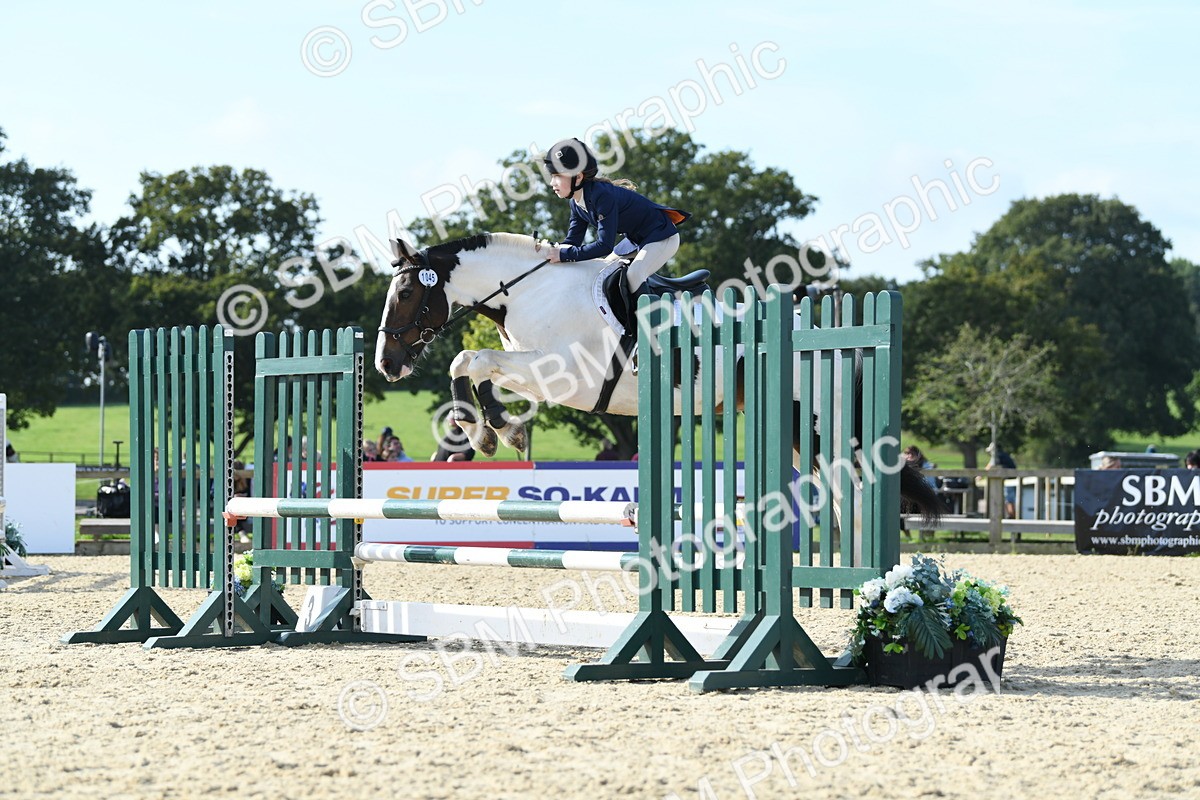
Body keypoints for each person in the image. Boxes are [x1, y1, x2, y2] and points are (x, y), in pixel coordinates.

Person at [540, 137, 690, 293]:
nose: (552, 183)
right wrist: (548, 252)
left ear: (578, 177)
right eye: (552, 176)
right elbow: (573, 241)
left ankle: (649, 317)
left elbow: (604, 245)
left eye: (557, 176)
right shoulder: (575, 203)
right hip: (635, 240)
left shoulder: (602, 196)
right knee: (602, 273)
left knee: (634, 275)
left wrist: (563, 255)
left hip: (662, 236)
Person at [985, 443, 1017, 518]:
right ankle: (1010, 516)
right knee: (1008, 498)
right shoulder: (1003, 455)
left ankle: (1012, 516)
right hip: (1009, 479)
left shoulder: (998, 455)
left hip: (1009, 480)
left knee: (1009, 499)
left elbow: (989, 466)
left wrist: (980, 475)